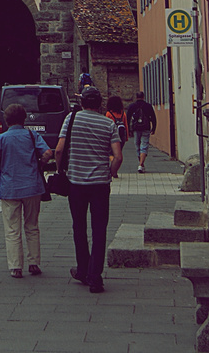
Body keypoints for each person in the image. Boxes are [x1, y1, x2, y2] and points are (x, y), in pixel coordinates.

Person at [55, 85, 122, 294]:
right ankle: (96, 278)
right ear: (100, 104)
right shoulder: (108, 123)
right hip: (100, 185)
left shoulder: (71, 120)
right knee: (99, 229)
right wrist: (109, 172)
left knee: (79, 227)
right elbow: (118, 157)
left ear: (82, 102)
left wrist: (61, 170)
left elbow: (59, 150)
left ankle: (83, 270)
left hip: (76, 183)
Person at [0, 103, 53, 278]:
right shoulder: (32, 135)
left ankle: (16, 267)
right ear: (24, 119)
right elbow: (47, 152)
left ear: (6, 120)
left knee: (12, 229)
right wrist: (40, 163)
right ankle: (34, 263)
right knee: (32, 226)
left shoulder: (1, 139)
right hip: (32, 186)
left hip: (10, 188)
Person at [127, 90, 157, 173]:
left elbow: (128, 118)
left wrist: (129, 130)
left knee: (137, 145)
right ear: (143, 97)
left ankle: (140, 164)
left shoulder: (132, 106)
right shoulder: (148, 106)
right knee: (144, 145)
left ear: (136, 97)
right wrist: (153, 128)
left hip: (136, 128)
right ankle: (141, 164)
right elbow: (153, 117)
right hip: (146, 127)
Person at [105, 96, 128, 177]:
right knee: (118, 153)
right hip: (122, 136)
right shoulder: (123, 113)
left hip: (112, 136)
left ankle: (113, 169)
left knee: (110, 153)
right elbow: (126, 125)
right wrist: (127, 136)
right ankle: (115, 170)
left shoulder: (109, 114)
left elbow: (107, 126)